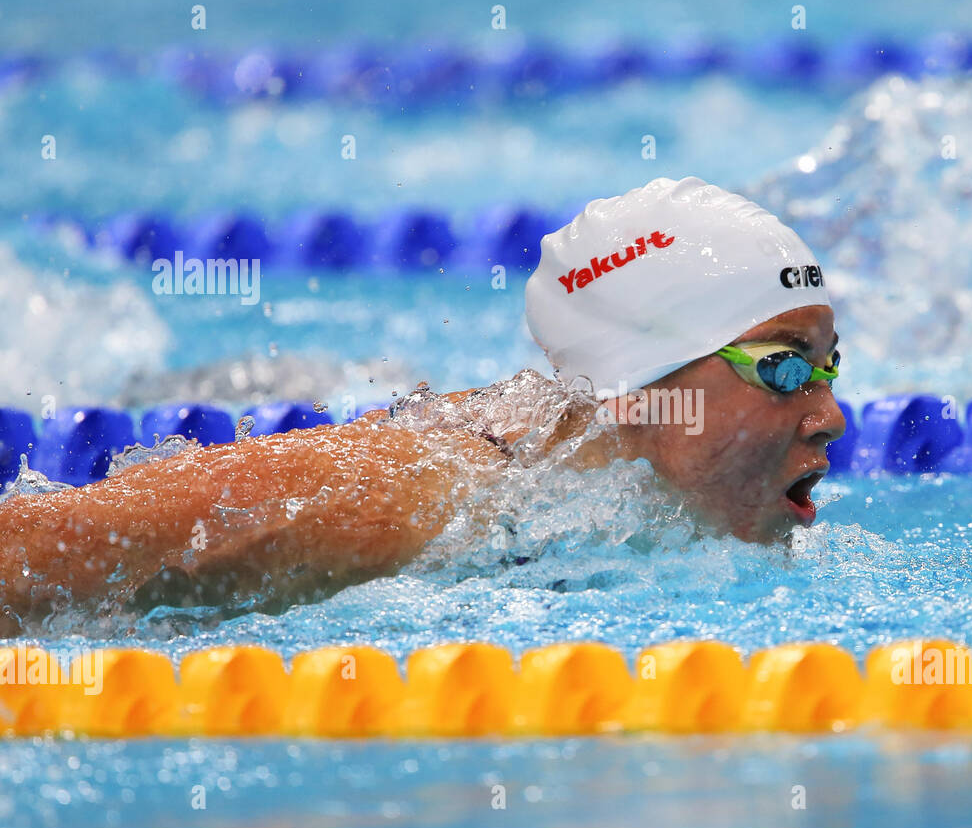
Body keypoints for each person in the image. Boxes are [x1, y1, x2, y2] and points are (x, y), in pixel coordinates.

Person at [0, 177, 844, 632]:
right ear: (635, 387)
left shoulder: (627, 495)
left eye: (828, 367)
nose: (829, 414)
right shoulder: (411, 497)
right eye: (782, 369)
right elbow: (47, 549)